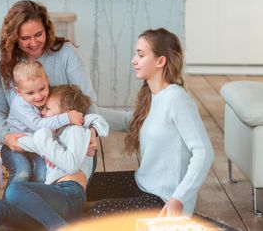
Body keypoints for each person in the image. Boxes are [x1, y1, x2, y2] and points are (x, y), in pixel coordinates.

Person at [86, 28, 214, 217]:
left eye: (140, 55)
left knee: (99, 211)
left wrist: (178, 199)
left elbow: (204, 152)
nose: (133, 60)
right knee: (81, 185)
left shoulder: (177, 99)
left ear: (160, 61)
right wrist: (87, 110)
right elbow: (129, 121)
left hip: (163, 199)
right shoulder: (153, 95)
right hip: (141, 183)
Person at [0, 0, 98, 186]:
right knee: (22, 176)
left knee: (45, 179)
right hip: (20, 141)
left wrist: (92, 131)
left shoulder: (66, 53)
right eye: (25, 38)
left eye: (39, 34)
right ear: (14, 37)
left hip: (60, 144)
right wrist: (5, 137)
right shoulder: (3, 64)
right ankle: (10, 212)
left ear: (47, 29)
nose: (33, 42)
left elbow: (88, 100)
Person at [0, 84, 109, 231]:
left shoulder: (76, 131)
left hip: (70, 195)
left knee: (14, 190)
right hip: (49, 207)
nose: (42, 113)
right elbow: (27, 142)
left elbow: (71, 165)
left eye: (48, 108)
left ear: (67, 113)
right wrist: (8, 138)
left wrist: (42, 136)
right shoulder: (50, 138)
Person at [2, 59, 84, 184]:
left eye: (42, 88)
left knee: (43, 174)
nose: (38, 96)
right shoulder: (20, 104)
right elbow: (38, 125)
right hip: (15, 146)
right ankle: (9, 202)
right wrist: (67, 117)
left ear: (47, 81)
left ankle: (37, 201)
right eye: (30, 93)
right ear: (18, 92)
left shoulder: (49, 95)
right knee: (22, 172)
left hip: (37, 147)